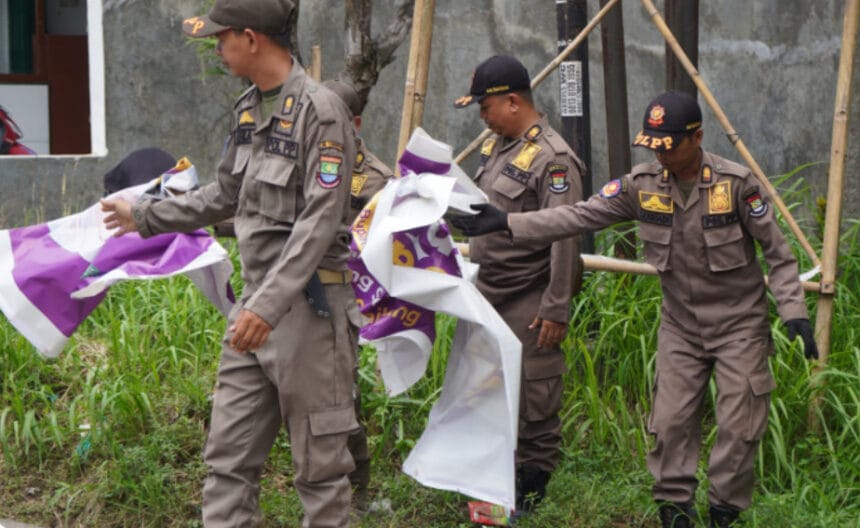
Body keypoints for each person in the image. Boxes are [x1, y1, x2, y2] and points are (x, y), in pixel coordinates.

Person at [451, 90, 819, 528]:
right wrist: (507, 221)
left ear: (697, 136)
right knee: (669, 422)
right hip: (681, 328)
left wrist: (793, 309)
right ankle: (674, 509)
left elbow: (778, 254)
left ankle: (725, 510)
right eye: (654, 147)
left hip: (739, 326)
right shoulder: (640, 186)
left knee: (740, 425)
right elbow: (577, 216)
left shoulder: (736, 185)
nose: (661, 157)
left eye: (670, 146)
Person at [100, 1, 360, 526]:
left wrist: (264, 306)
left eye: (221, 38)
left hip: (307, 312)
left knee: (321, 472)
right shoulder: (248, 109)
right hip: (252, 312)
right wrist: (146, 215)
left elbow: (318, 222)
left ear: (251, 38)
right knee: (227, 461)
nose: (216, 48)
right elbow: (225, 194)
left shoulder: (322, 111)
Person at [453, 55, 584, 517]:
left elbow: (565, 235)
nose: (482, 117)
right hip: (491, 290)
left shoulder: (554, 158)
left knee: (534, 396)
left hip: (530, 294)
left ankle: (533, 490)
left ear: (512, 101)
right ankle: (493, 484)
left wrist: (555, 307)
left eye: (485, 107)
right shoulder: (498, 147)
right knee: (487, 391)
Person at [322, 78, 395, 221]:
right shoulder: (302, 164)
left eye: (333, 122)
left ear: (356, 124)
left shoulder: (379, 180)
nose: (322, 130)